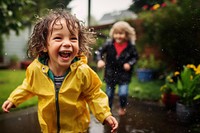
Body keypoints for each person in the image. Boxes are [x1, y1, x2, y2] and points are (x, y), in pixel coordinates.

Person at [2, 9, 118, 133]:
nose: (67, 43)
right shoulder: (36, 70)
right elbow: (28, 86)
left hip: (76, 128)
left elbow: (94, 94)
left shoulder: (82, 72)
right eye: (58, 38)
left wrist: (105, 114)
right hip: (48, 128)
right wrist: (14, 99)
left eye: (73, 38)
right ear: (44, 45)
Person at [96, 21, 138, 116]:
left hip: (124, 74)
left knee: (123, 93)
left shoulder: (130, 47)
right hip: (110, 73)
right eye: (116, 33)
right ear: (113, 34)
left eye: (121, 33)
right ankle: (108, 111)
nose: (118, 36)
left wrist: (130, 63)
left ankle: (122, 107)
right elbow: (99, 52)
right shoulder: (109, 44)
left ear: (127, 34)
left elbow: (135, 57)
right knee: (109, 94)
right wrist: (99, 60)